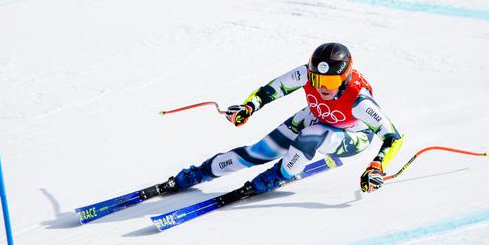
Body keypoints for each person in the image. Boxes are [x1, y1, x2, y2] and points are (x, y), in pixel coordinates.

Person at [163, 42, 404, 195]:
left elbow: (394, 138)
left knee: (312, 136)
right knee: (258, 152)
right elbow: (272, 89)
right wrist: (249, 107)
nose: (322, 88)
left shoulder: (359, 101)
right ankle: (200, 172)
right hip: (315, 117)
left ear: (344, 78)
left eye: (330, 82)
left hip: (353, 135)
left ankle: (281, 174)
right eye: (317, 80)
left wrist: (377, 165)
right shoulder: (305, 74)